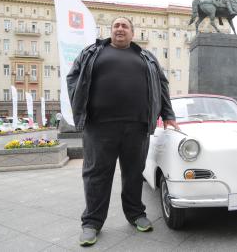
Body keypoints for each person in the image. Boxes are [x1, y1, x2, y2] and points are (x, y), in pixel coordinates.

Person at [67, 17, 179, 247]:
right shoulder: (92, 53)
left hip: (137, 126)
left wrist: (168, 115)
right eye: (116, 26)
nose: (120, 28)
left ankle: (136, 214)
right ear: (111, 31)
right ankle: (92, 223)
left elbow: (162, 85)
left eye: (124, 26)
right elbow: (73, 78)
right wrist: (80, 107)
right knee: (96, 175)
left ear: (132, 32)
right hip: (99, 127)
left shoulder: (146, 57)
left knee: (134, 173)